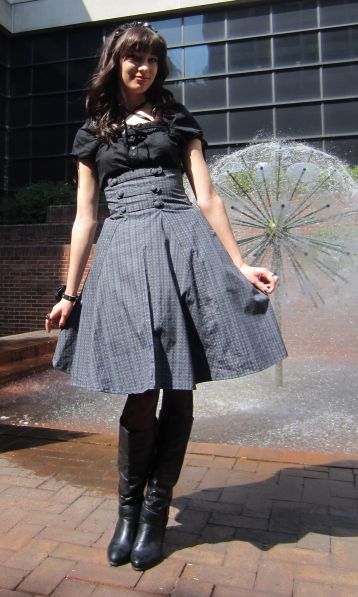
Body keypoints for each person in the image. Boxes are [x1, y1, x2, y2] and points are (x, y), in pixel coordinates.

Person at [46, 21, 287, 571]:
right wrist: (70, 291)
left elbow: (207, 197)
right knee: (140, 387)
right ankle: (127, 511)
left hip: (184, 247)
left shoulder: (177, 120)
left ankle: (155, 514)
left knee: (178, 387)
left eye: (152, 59)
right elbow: (86, 218)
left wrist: (240, 262)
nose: (144, 67)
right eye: (134, 58)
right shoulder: (92, 133)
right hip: (124, 254)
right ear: (116, 63)